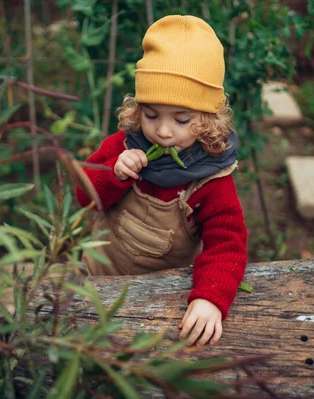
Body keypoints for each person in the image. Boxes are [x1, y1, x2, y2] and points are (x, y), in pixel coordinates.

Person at [75, 15, 247, 347]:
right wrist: (115, 172)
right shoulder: (125, 144)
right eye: (151, 115)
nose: (163, 131)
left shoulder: (211, 180)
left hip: (159, 302)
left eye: (182, 120)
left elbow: (227, 245)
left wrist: (210, 298)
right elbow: (83, 195)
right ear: (138, 110)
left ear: (209, 119)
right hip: (96, 279)